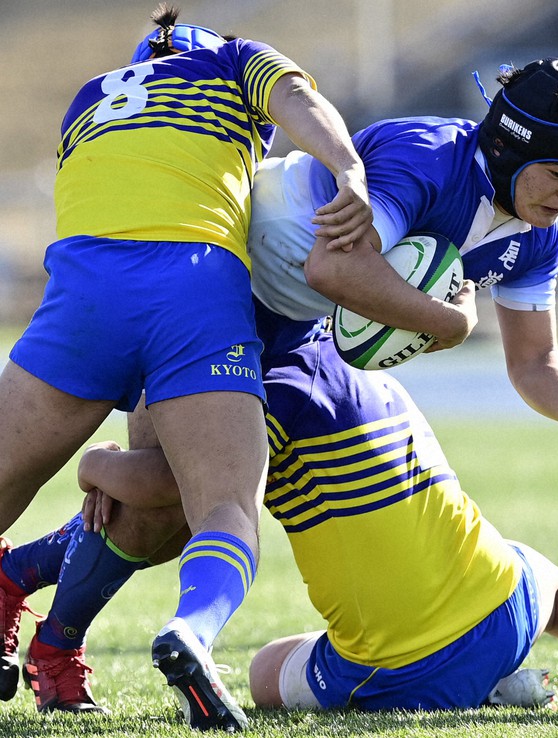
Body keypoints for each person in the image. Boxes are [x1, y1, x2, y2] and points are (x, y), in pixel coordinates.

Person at [1, 57, 558, 725]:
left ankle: (25, 588)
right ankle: (56, 625)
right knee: (171, 498)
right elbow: (333, 266)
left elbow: (534, 360)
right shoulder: (426, 160)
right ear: (507, 146)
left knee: (179, 509)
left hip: (292, 330)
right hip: (222, 295)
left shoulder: (535, 238)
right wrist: (449, 322)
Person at [1, 319, 558, 718]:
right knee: (551, 578)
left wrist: (95, 463)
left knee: (263, 669)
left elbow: (157, 487)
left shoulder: (233, 389)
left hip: (387, 670)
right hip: (501, 609)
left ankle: (50, 618)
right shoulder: (363, 355)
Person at [0, 3, 373, 730]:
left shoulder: (91, 97)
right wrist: (348, 168)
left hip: (83, 289)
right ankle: (192, 629)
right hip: (197, 289)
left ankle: (48, 626)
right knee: (224, 507)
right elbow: (297, 99)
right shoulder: (237, 61)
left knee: (133, 494)